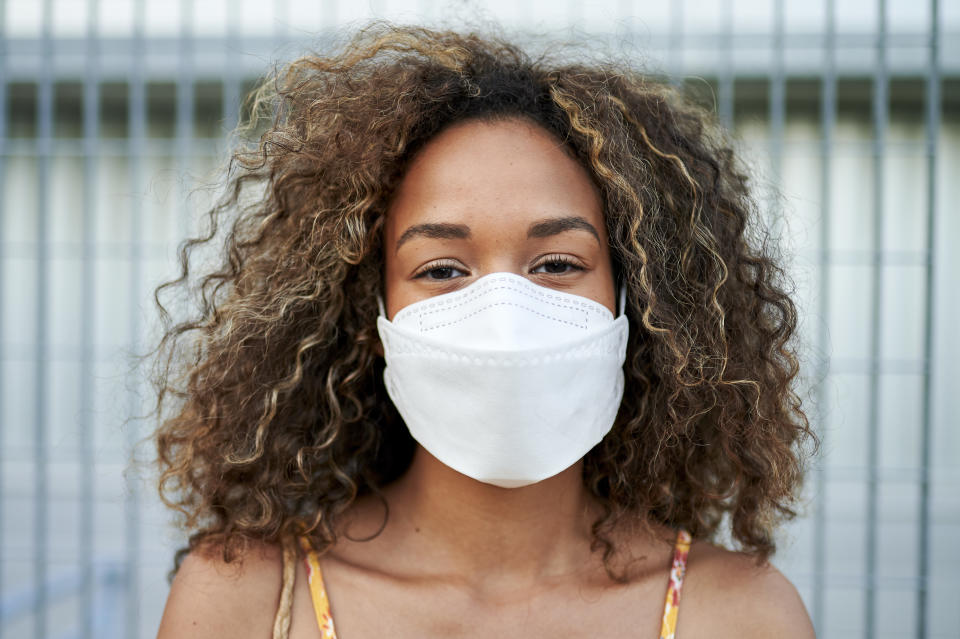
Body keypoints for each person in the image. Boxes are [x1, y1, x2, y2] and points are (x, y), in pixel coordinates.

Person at [152, 22, 817, 639]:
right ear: (372, 314)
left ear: (634, 300)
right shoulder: (246, 599)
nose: (503, 314)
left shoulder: (742, 614)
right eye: (441, 269)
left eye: (557, 263)